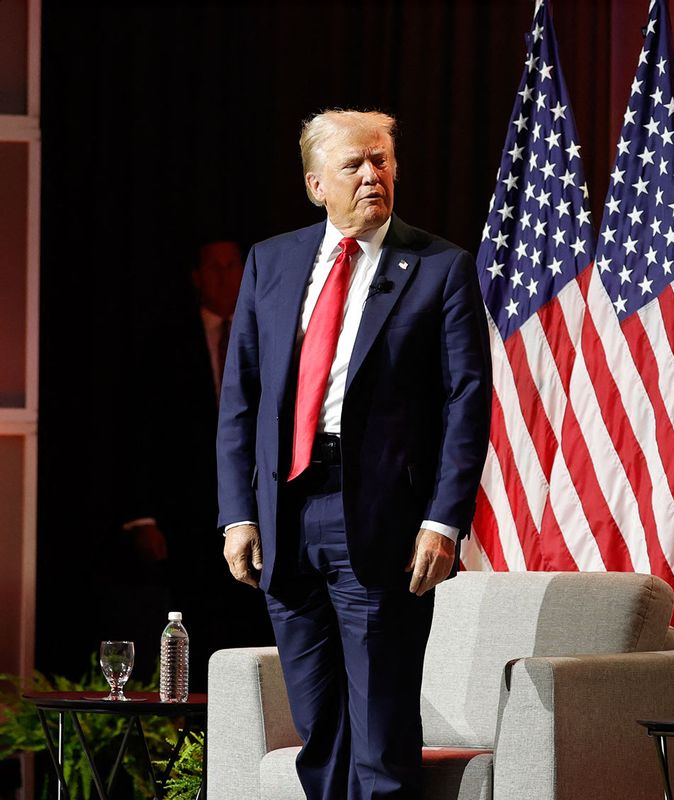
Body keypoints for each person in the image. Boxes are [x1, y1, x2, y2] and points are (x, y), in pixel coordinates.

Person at [216, 109, 491, 800]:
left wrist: (443, 521)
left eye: (382, 160)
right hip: (286, 512)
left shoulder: (440, 268)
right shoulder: (272, 263)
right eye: (354, 165)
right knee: (320, 735)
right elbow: (240, 399)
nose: (373, 175)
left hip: (381, 522)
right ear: (316, 185)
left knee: (380, 739)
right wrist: (238, 514)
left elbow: (468, 404)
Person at [120, 239, 273, 687]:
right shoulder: (165, 342)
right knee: (193, 631)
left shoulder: (270, 335)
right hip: (184, 516)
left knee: (252, 635)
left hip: (258, 512)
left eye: (233, 266)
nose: (225, 276)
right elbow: (140, 432)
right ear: (197, 277)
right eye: (214, 267)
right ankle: (193, 741)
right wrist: (142, 516)